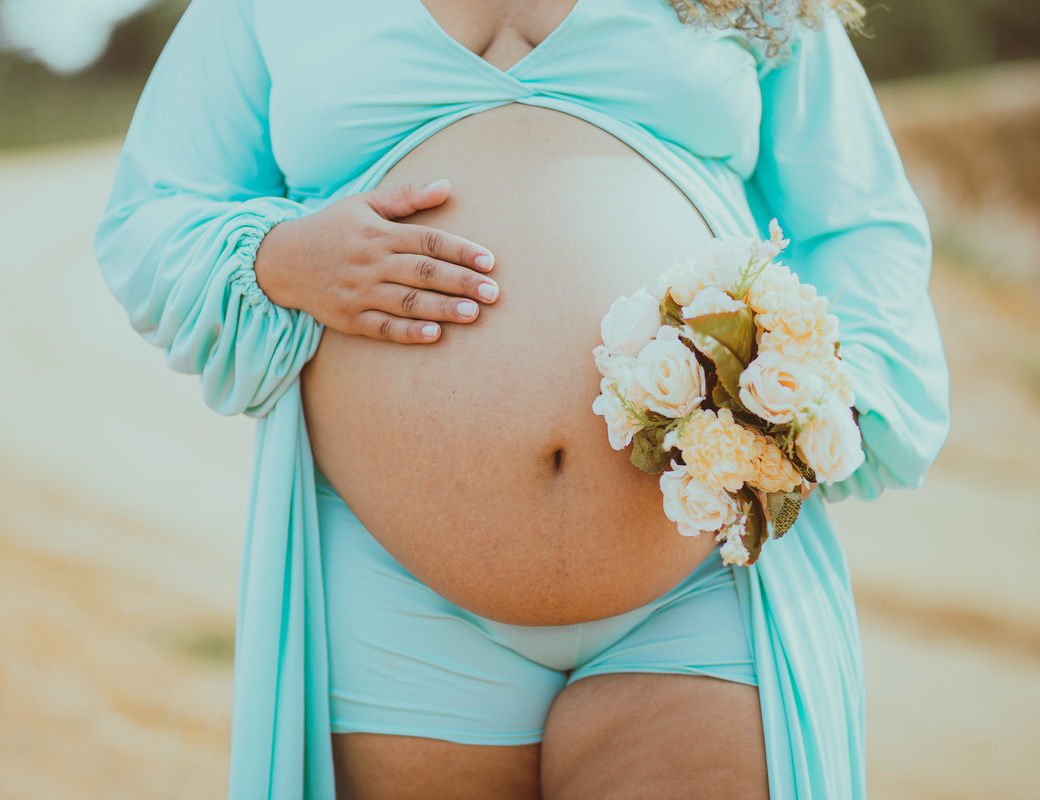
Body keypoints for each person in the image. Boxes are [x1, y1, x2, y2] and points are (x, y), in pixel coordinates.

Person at [94, 1, 950, 797]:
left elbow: (861, 219)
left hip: (700, 580)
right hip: (389, 592)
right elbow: (152, 213)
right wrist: (280, 258)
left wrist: (825, 399)